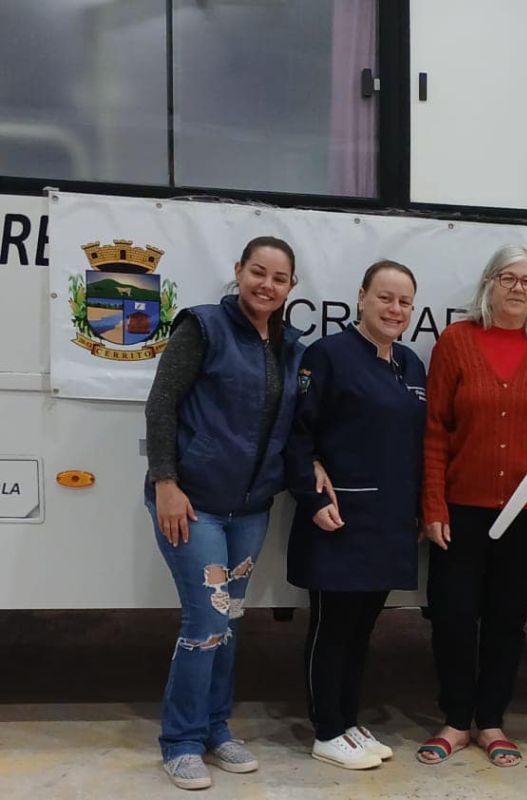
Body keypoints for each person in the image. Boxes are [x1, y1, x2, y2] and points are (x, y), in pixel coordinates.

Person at [418, 244, 527, 767]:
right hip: (461, 512)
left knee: (506, 622)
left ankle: (491, 721)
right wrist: (433, 505)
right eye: (507, 278)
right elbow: (435, 430)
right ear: (488, 284)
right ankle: (454, 721)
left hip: (524, 517)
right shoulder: (456, 341)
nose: (517, 288)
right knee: (451, 617)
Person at [144, 236, 304, 790]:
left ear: (291, 288)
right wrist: (166, 482)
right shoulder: (204, 327)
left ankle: (216, 728)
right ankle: (181, 740)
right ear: (238, 271)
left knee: (229, 623)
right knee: (205, 622)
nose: (267, 285)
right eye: (258, 272)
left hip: (250, 509)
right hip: (192, 503)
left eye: (279, 278)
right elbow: (161, 403)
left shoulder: (290, 345)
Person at [285, 261, 426, 770]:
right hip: (339, 519)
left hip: (389, 524)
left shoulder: (411, 365)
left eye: (404, 301)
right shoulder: (328, 356)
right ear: (362, 297)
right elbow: (297, 435)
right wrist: (313, 496)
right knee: (332, 627)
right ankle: (326, 729)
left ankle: (348, 720)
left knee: (363, 629)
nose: (394, 309)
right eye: (385, 298)